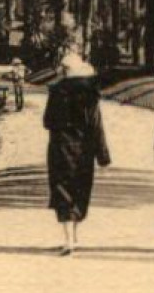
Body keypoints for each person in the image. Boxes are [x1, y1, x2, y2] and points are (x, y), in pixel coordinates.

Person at [43, 51, 111, 255]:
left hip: (60, 149)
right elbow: (96, 127)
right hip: (84, 151)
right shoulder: (90, 96)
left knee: (62, 189)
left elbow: (47, 122)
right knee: (80, 189)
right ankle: (74, 236)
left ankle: (69, 239)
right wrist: (103, 157)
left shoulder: (56, 93)